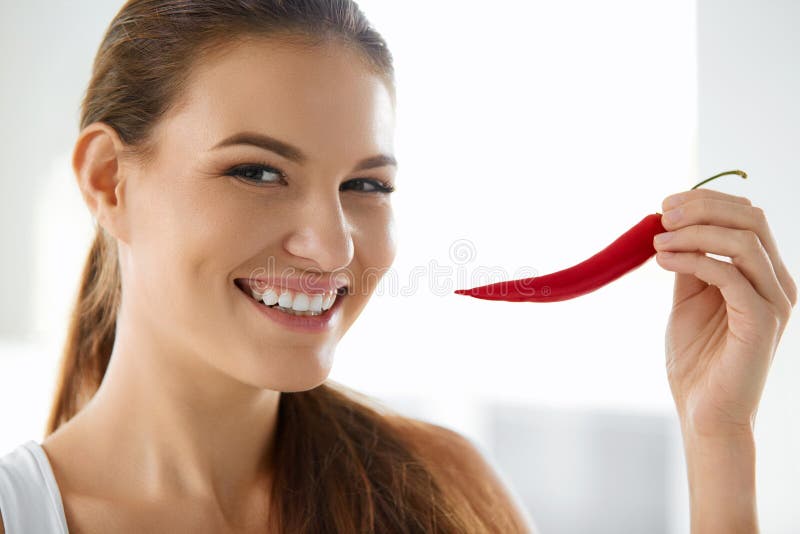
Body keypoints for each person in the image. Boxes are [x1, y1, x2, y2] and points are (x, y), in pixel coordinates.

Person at [0, 1, 795, 532]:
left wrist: (718, 438)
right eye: (259, 171)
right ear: (109, 180)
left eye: (366, 185)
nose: (335, 246)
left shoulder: (440, 487)